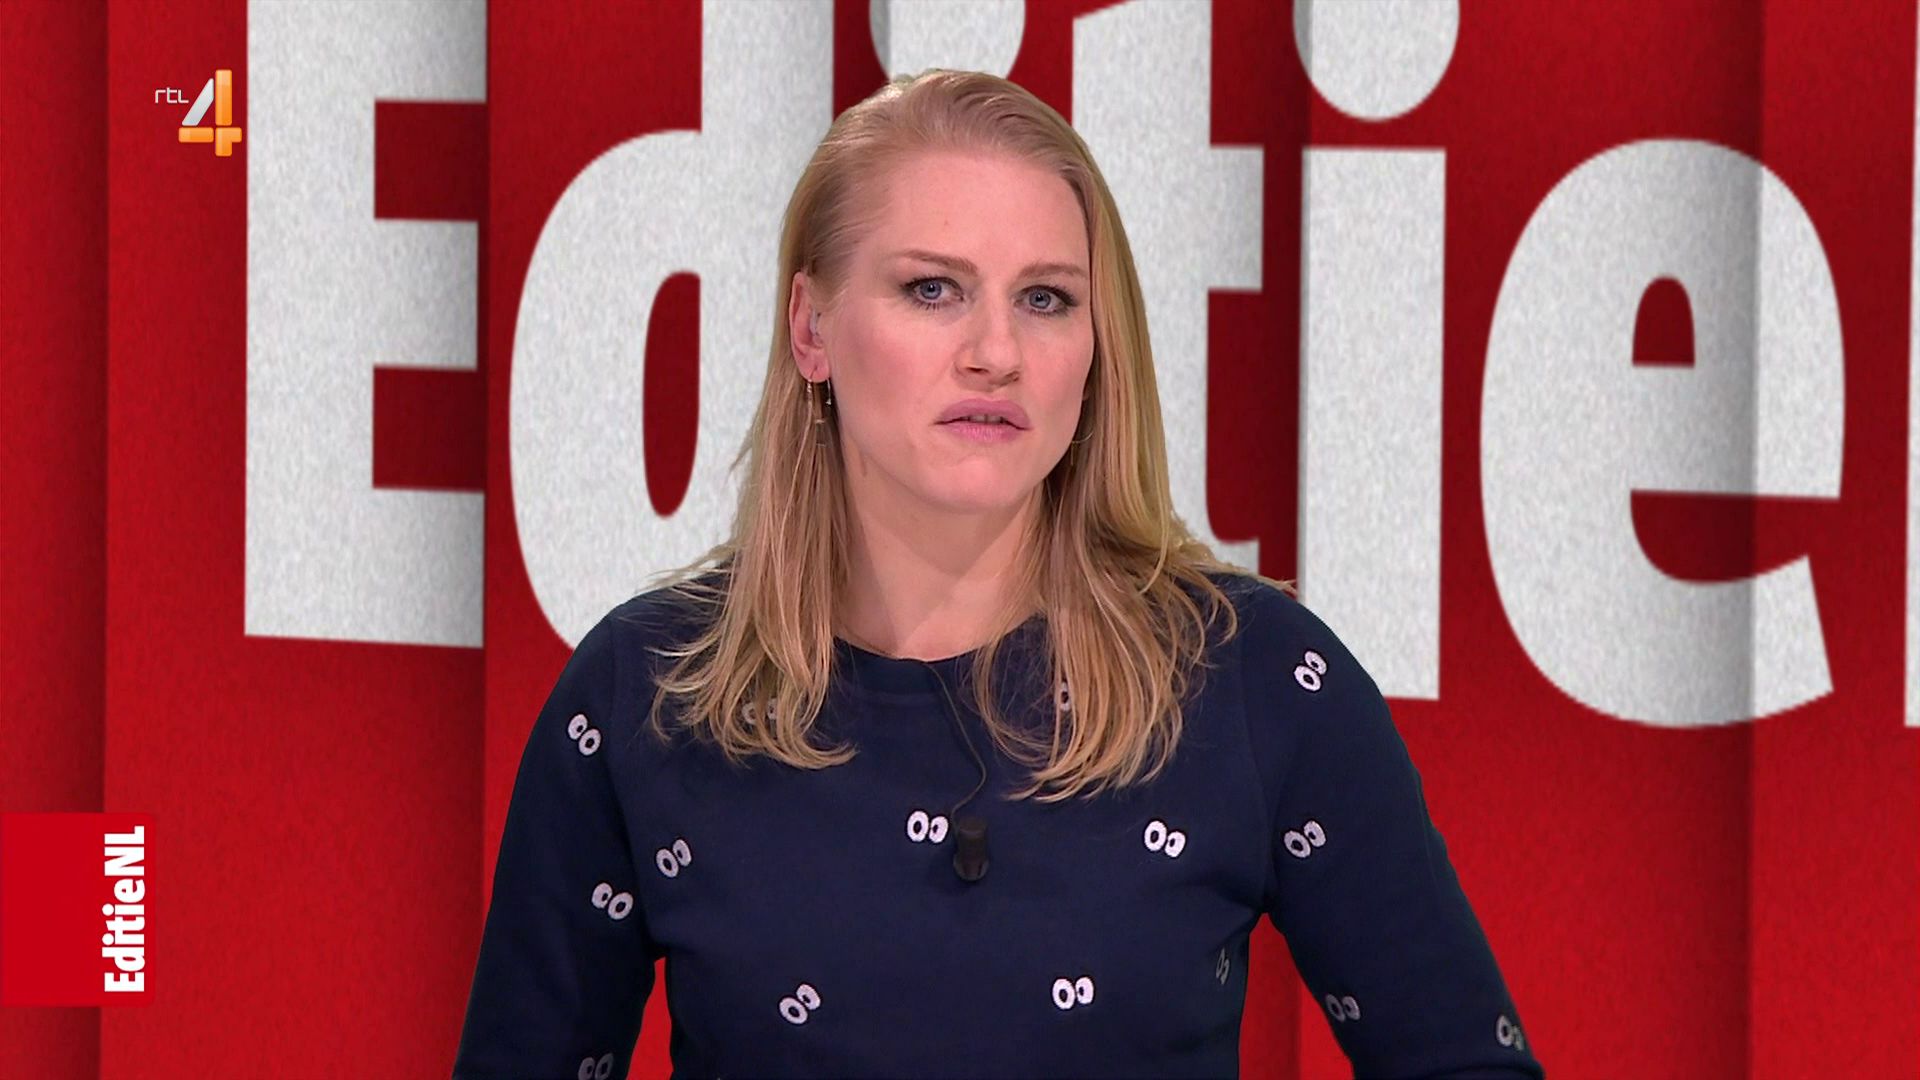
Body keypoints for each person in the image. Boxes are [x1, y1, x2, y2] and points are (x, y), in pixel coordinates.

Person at [452, 68, 1542, 1080]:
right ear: (811, 329)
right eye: (933, 290)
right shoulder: (648, 689)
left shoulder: (1251, 677)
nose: (996, 352)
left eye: (1046, 299)